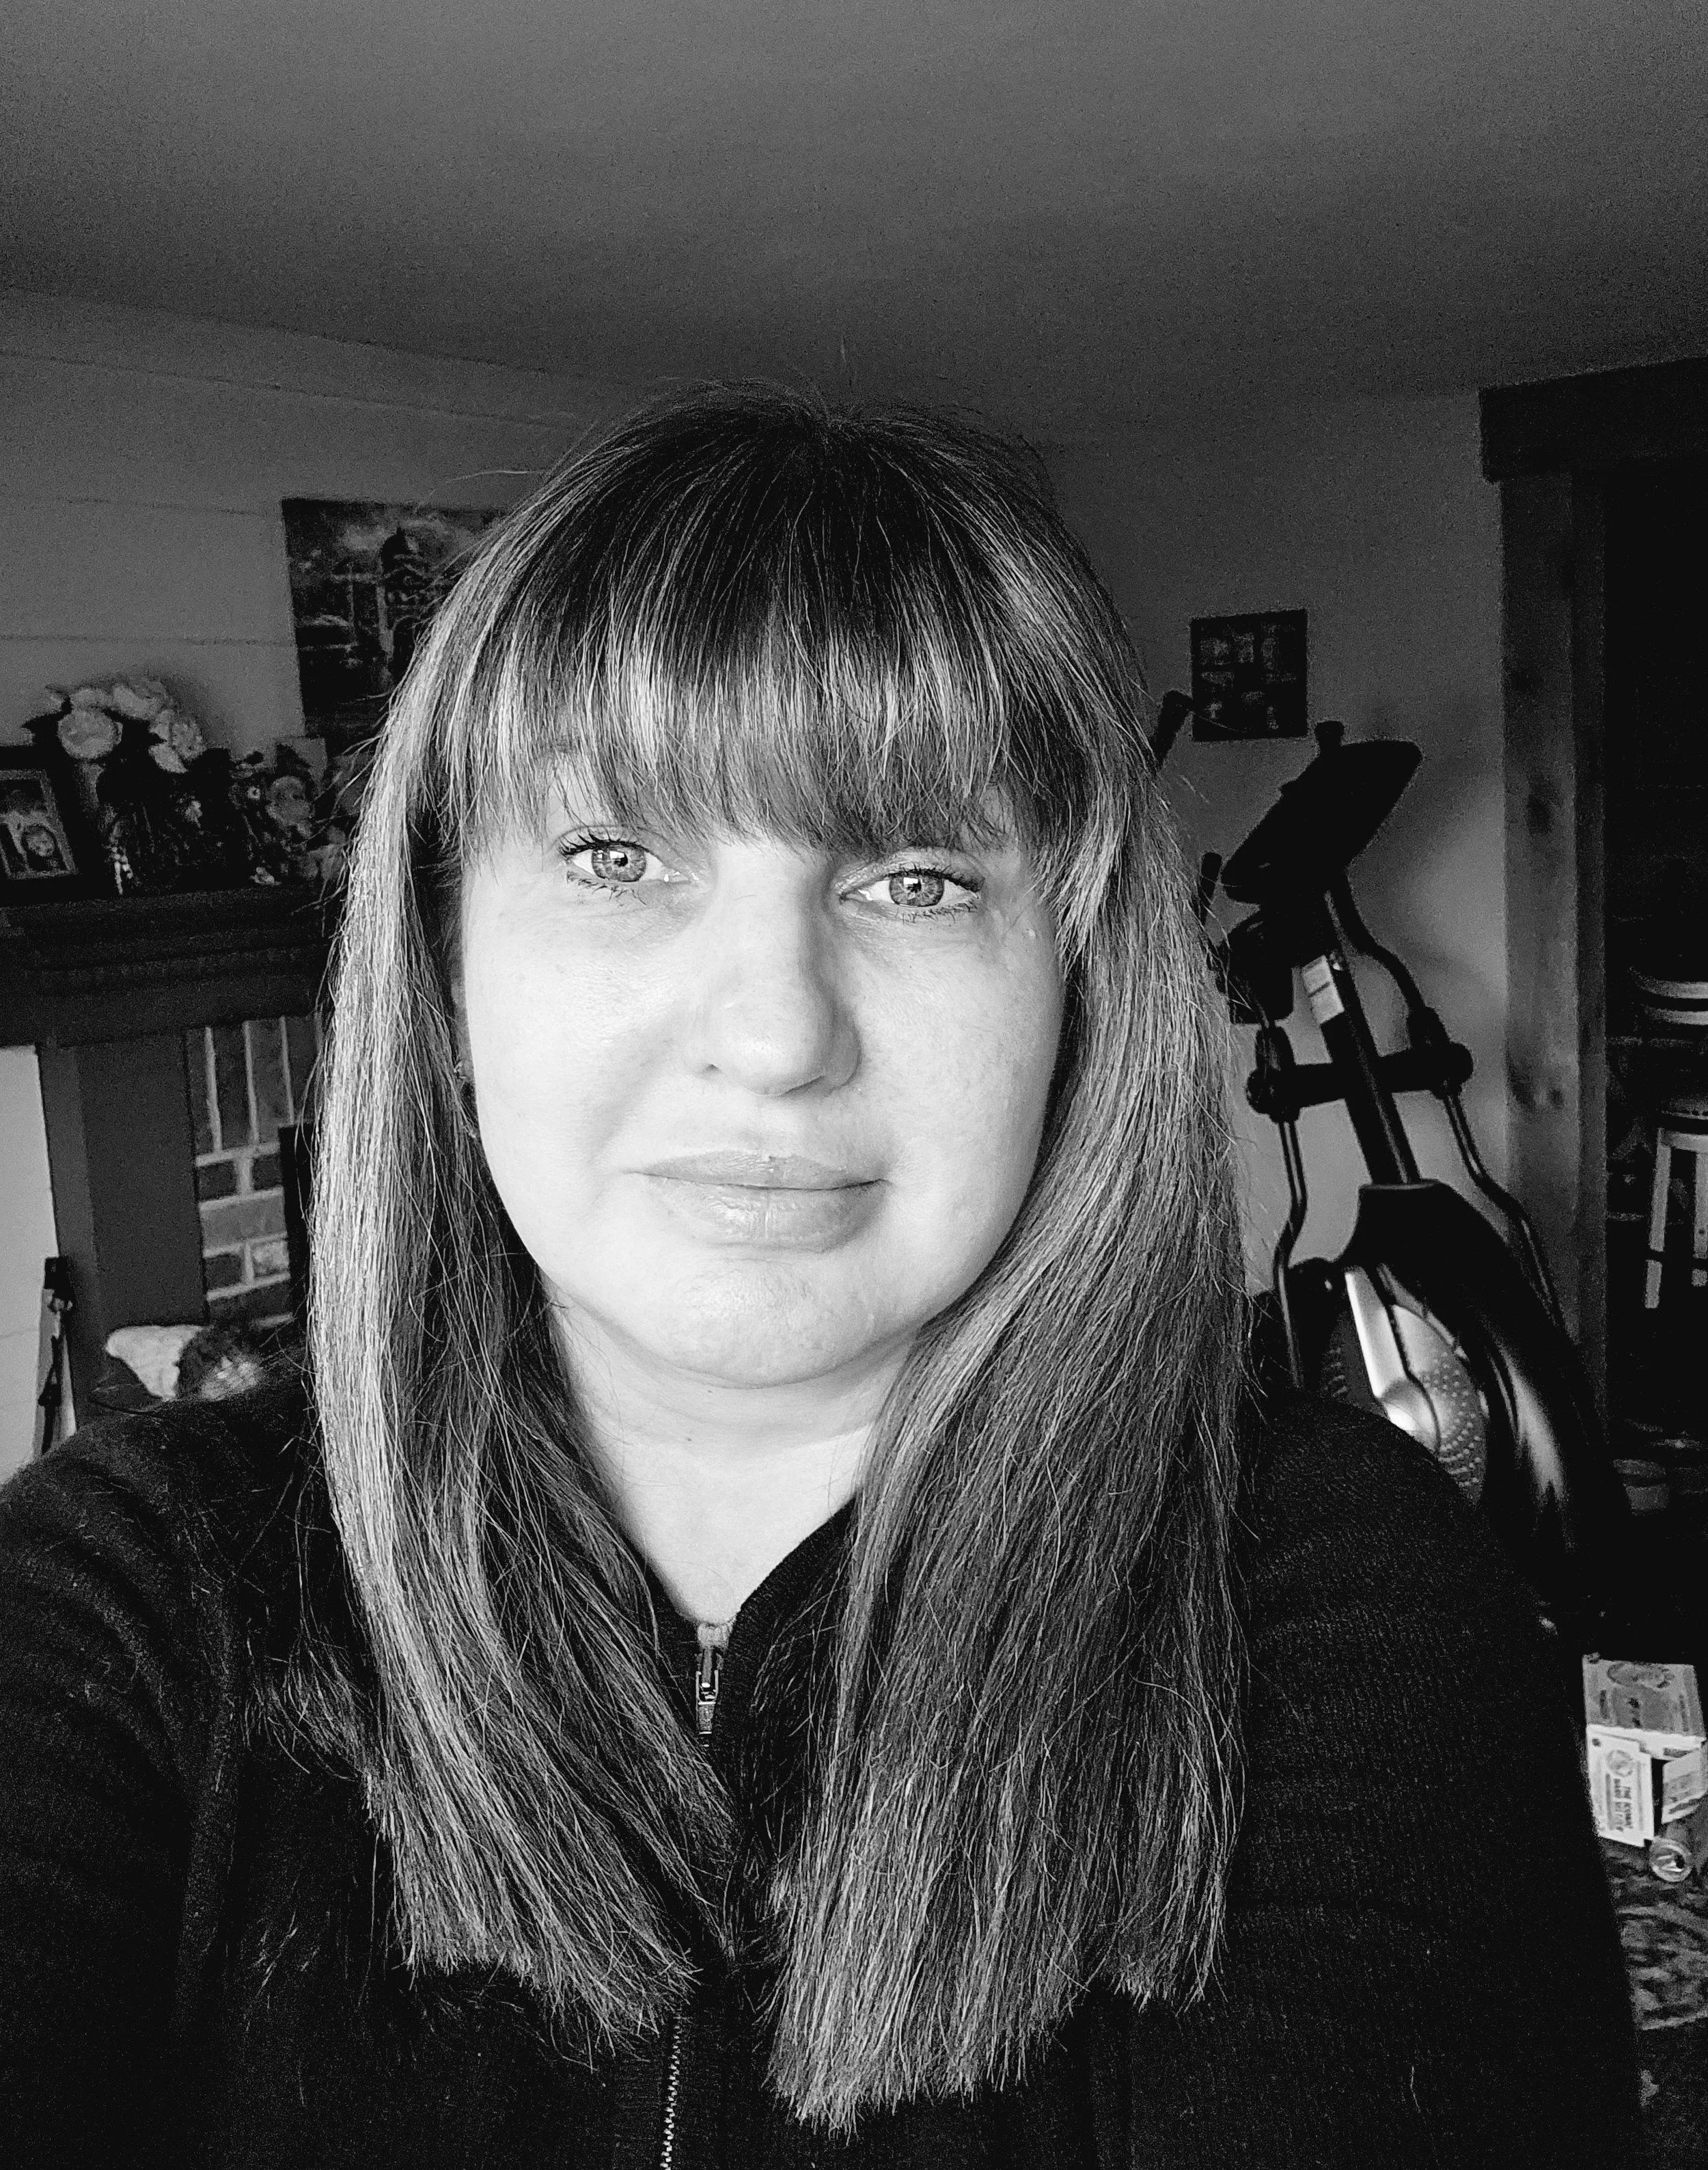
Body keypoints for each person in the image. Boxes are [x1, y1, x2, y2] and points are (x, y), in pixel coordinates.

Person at [0, 387, 1642, 2166]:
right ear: (446, 971)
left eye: (919, 877)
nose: (775, 1033)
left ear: (1075, 992)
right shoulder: (130, 1595)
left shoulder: (1332, 1606)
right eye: (618, 859)